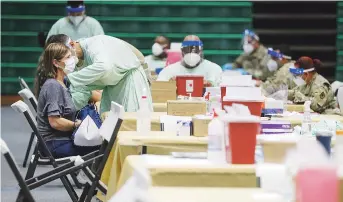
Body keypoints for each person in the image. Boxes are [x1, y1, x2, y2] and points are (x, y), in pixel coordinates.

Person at [36, 43, 99, 158]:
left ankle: (88, 173)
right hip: (54, 144)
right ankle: (91, 175)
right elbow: (55, 122)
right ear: (55, 63)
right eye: (68, 57)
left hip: (61, 139)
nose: (72, 61)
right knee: (101, 147)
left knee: (99, 143)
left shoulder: (63, 82)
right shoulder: (53, 86)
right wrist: (76, 125)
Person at [61, 35, 152, 113]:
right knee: (108, 124)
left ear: (72, 44)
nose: (67, 60)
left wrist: (69, 79)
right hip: (111, 86)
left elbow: (104, 67)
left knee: (132, 122)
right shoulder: (74, 65)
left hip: (130, 79)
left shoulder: (95, 44)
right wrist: (67, 111)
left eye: (68, 56)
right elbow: (80, 88)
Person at [34, 34, 101, 110]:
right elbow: (78, 98)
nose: (74, 49)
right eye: (69, 48)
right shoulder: (54, 78)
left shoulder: (48, 65)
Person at [157, 35, 222, 87]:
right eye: (187, 50)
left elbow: (219, 91)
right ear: (182, 52)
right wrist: (170, 85)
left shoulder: (213, 69)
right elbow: (158, 90)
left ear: (201, 51)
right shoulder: (169, 71)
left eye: (195, 50)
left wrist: (209, 84)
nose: (191, 53)